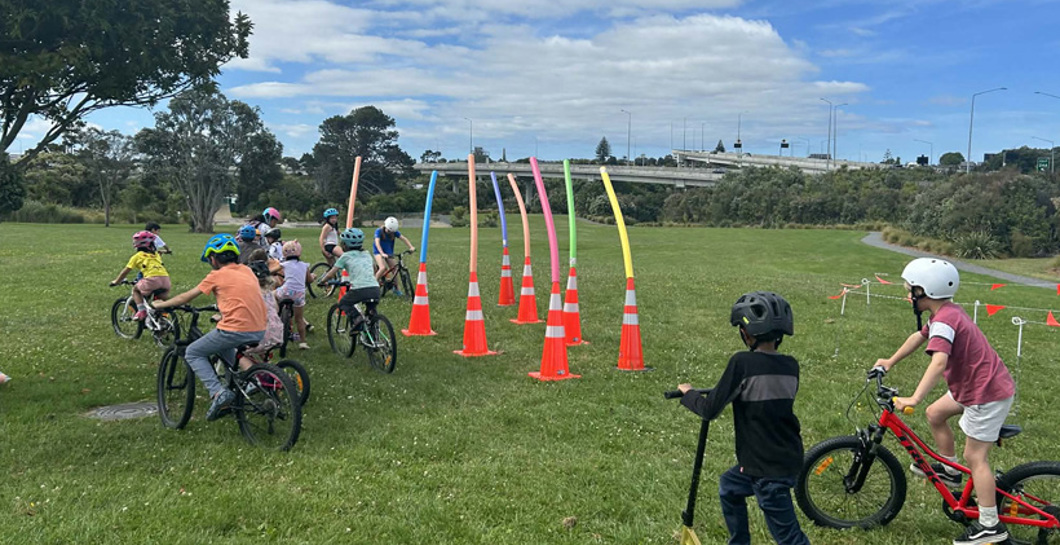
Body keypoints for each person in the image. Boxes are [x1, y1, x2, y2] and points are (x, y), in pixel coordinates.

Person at [873, 258, 1014, 545]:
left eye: (910, 289)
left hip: (985, 393)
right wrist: (890, 361)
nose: (907, 294)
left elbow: (938, 362)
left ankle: (990, 526)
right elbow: (918, 337)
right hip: (973, 386)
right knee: (935, 413)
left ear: (924, 291)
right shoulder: (945, 312)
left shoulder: (945, 322)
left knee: (975, 457)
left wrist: (914, 397)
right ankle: (950, 471)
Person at [676, 291, 809, 545]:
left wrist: (688, 394)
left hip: (767, 469)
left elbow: (709, 409)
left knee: (790, 538)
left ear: (746, 334)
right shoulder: (791, 366)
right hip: (783, 457)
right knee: (729, 486)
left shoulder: (743, 363)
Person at [151, 234, 266, 421]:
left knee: (193, 352)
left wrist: (161, 305)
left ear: (213, 258)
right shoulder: (247, 270)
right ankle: (250, 380)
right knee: (223, 346)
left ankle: (218, 392)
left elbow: (187, 296)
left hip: (234, 330)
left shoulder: (216, 275)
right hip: (259, 328)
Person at [317, 227, 381, 330]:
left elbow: (331, 274)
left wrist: (322, 281)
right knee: (371, 310)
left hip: (359, 289)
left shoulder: (345, 256)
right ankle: (374, 332)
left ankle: (357, 318)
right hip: (375, 288)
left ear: (345, 245)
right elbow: (374, 269)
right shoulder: (366, 254)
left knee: (344, 303)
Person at [109, 231, 172, 320]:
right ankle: (162, 321)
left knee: (136, 290)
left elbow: (126, 271)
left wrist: (116, 281)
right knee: (159, 304)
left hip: (152, 280)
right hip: (166, 280)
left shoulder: (137, 256)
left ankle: (141, 311)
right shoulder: (156, 255)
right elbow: (158, 256)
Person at [239, 258, 284, 370]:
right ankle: (269, 370)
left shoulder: (250, 294)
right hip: (277, 334)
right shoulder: (269, 293)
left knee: (238, 352)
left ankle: (253, 376)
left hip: (261, 337)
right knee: (261, 347)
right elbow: (276, 309)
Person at [276, 240, 313, 350]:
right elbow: (309, 280)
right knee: (299, 319)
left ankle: (276, 312)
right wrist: (313, 276)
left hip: (286, 291)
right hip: (299, 294)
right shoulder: (304, 265)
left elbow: (272, 270)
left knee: (273, 294)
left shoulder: (284, 264)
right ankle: (303, 342)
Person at [373, 216, 415, 290]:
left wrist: (411, 247)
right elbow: (377, 243)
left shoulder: (394, 232)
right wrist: (382, 253)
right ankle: (372, 285)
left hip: (389, 252)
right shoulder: (379, 231)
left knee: (395, 270)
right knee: (382, 268)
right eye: (389, 231)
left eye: (392, 232)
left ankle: (396, 288)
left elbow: (404, 239)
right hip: (378, 252)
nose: (390, 233)